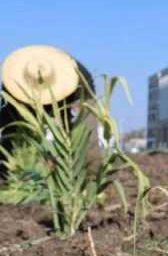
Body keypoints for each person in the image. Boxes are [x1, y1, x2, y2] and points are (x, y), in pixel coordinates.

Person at [0, 45, 98, 175]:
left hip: (71, 94)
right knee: (11, 131)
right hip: (21, 97)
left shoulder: (76, 77)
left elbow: (69, 124)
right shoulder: (12, 82)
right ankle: (6, 175)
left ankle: (85, 179)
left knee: (84, 138)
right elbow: (6, 123)